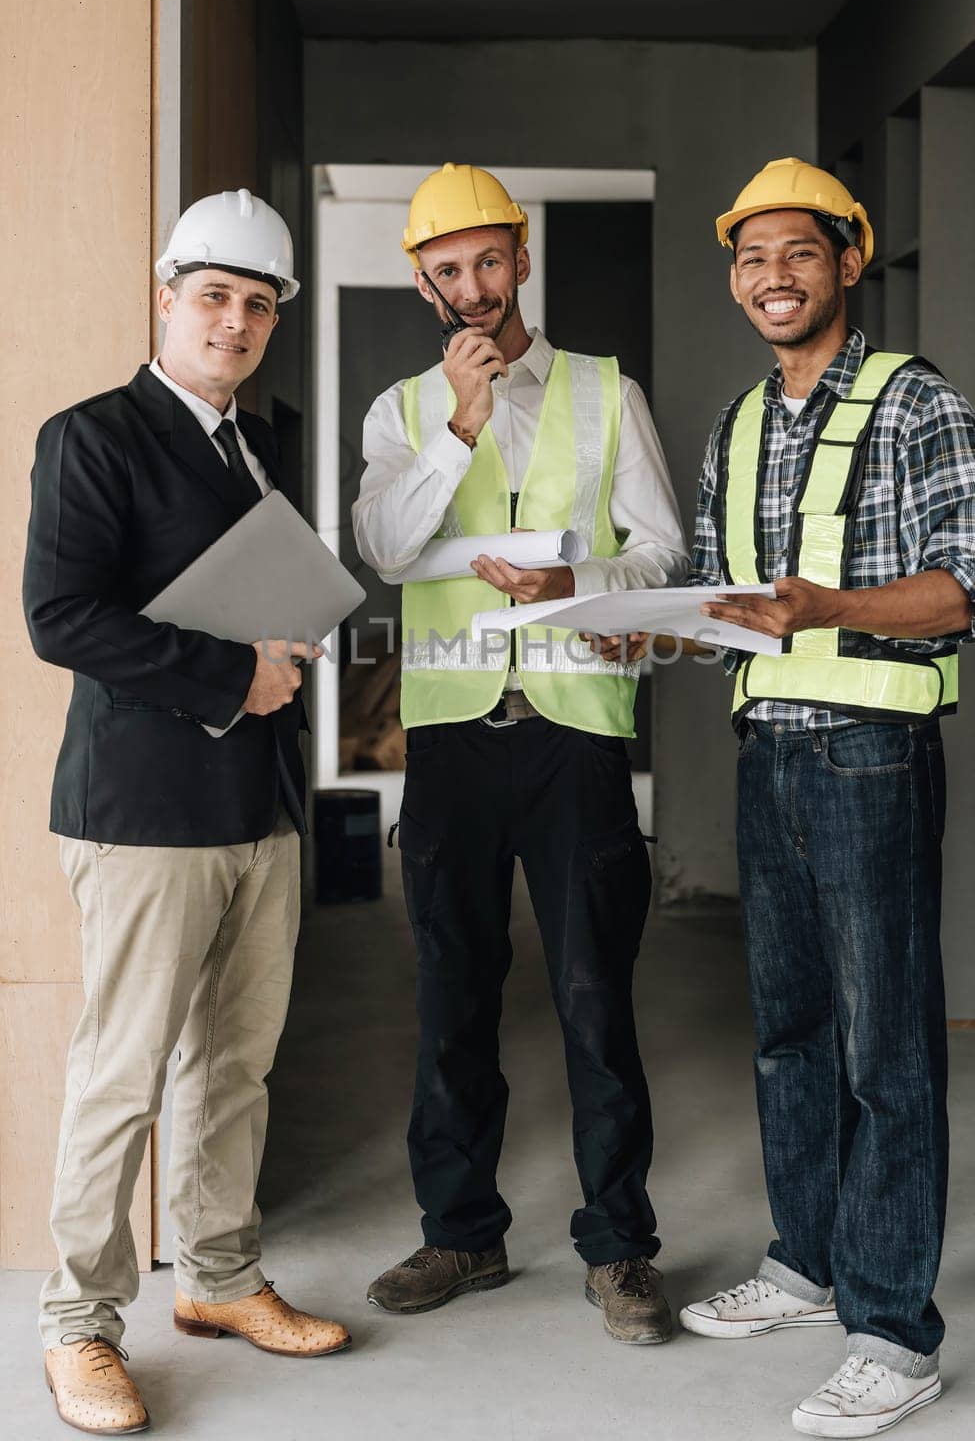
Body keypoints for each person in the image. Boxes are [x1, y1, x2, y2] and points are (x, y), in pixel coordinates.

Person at [24, 189, 350, 1437]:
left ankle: (217, 1280)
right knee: (122, 1076)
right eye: (212, 295)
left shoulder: (257, 439)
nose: (234, 320)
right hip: (145, 808)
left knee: (235, 1063)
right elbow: (62, 617)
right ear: (166, 298)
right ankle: (78, 1329)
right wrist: (233, 673)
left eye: (256, 303)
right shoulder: (92, 436)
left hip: (254, 805)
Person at [352, 163, 689, 1344]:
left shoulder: (606, 391)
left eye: (489, 261)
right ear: (423, 283)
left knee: (596, 995)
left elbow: (659, 559)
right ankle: (462, 1232)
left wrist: (576, 582)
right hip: (452, 735)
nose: (473, 287)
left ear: (522, 257)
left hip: (577, 732)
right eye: (448, 270)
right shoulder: (401, 410)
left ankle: (621, 1246)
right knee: (451, 996)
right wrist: (460, 423)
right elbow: (388, 550)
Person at [679, 158, 975, 1436]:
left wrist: (830, 608)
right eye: (751, 259)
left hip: (872, 751)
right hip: (771, 751)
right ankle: (808, 1263)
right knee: (788, 1028)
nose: (773, 278)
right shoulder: (739, 425)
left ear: (849, 263)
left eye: (799, 253)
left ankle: (896, 1330)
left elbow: (962, 587)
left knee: (888, 1046)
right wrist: (616, 608)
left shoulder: (918, 405)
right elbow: (716, 595)